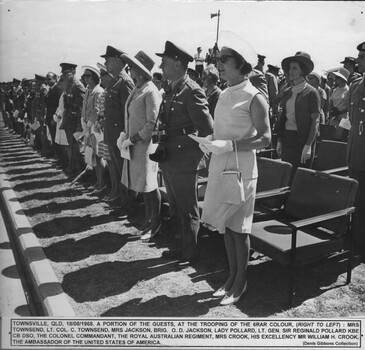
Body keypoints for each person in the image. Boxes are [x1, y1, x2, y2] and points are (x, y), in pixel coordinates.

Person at [201, 41, 271, 306]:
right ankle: (231, 277)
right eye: (218, 60)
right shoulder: (225, 93)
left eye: (224, 60)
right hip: (221, 166)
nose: (218, 64)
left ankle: (241, 282)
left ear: (240, 64)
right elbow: (224, 130)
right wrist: (212, 139)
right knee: (227, 227)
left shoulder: (254, 96)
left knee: (240, 229)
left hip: (242, 169)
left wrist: (231, 145)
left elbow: (265, 139)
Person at [154, 40, 214, 268]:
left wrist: (192, 144)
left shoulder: (192, 90)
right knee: (176, 207)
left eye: (165, 62)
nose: (161, 66)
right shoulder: (171, 88)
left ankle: (191, 252)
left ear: (178, 64)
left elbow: (208, 127)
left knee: (188, 208)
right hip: (169, 156)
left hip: (185, 158)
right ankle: (180, 246)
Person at [119, 51, 162, 240]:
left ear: (141, 70)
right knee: (143, 185)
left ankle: (156, 225)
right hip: (135, 145)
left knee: (150, 186)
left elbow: (152, 123)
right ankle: (148, 220)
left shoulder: (150, 90)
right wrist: (125, 135)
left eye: (133, 67)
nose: (130, 69)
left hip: (145, 146)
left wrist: (134, 138)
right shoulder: (138, 88)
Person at [276, 51, 320, 181]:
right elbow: (283, 118)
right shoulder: (287, 92)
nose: (290, 71)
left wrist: (308, 146)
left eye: (295, 68)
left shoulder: (312, 93)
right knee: (286, 178)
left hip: (302, 141)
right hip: (287, 140)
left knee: (299, 180)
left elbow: (315, 121)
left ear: (303, 71)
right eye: (290, 68)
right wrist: (279, 140)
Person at [101, 45, 135, 208]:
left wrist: (125, 135)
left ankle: (128, 205)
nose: (106, 63)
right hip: (112, 133)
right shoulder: (115, 80)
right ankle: (122, 201)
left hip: (120, 135)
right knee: (116, 168)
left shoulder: (125, 81)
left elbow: (129, 111)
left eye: (107, 60)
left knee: (124, 170)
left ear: (116, 61)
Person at [346, 41, 365, 256]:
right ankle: (356, 240)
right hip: (355, 151)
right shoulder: (356, 84)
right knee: (358, 199)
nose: (358, 60)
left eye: (361, 57)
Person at [59, 62, 85, 177]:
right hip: (69, 120)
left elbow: (81, 107)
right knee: (71, 145)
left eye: (66, 73)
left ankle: (78, 170)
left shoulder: (77, 86)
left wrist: (79, 125)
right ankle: (73, 167)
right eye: (63, 73)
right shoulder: (69, 85)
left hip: (75, 121)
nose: (64, 76)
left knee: (76, 146)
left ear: (73, 72)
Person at [80, 65, 104, 189]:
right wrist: (83, 121)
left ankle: (102, 182)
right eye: (84, 76)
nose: (85, 78)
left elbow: (97, 109)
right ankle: (98, 180)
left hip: (95, 129)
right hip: (88, 128)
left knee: (99, 155)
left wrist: (90, 122)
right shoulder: (88, 90)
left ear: (94, 77)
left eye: (88, 76)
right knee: (92, 155)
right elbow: (84, 108)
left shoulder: (98, 91)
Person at [44, 72, 63, 159]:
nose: (47, 81)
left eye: (49, 79)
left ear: (55, 79)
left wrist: (54, 118)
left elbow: (59, 105)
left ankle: (60, 158)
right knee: (53, 137)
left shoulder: (58, 89)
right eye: (46, 79)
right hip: (50, 117)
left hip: (55, 118)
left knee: (56, 138)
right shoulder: (51, 89)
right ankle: (58, 157)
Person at [328, 68, 350, 140]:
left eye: (337, 77)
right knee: (331, 137)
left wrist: (339, 111)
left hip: (344, 119)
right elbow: (331, 102)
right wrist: (331, 110)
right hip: (334, 118)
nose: (335, 79)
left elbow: (350, 106)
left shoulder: (348, 91)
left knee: (341, 138)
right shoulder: (335, 90)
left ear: (342, 79)